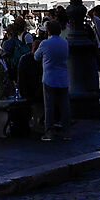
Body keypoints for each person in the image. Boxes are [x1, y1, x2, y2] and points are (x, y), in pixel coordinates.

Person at [35, 12, 75, 141]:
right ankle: (66, 132)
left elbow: (36, 57)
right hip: (63, 77)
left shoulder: (45, 43)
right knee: (65, 106)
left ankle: (49, 132)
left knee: (49, 107)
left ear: (48, 31)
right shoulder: (65, 43)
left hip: (49, 78)